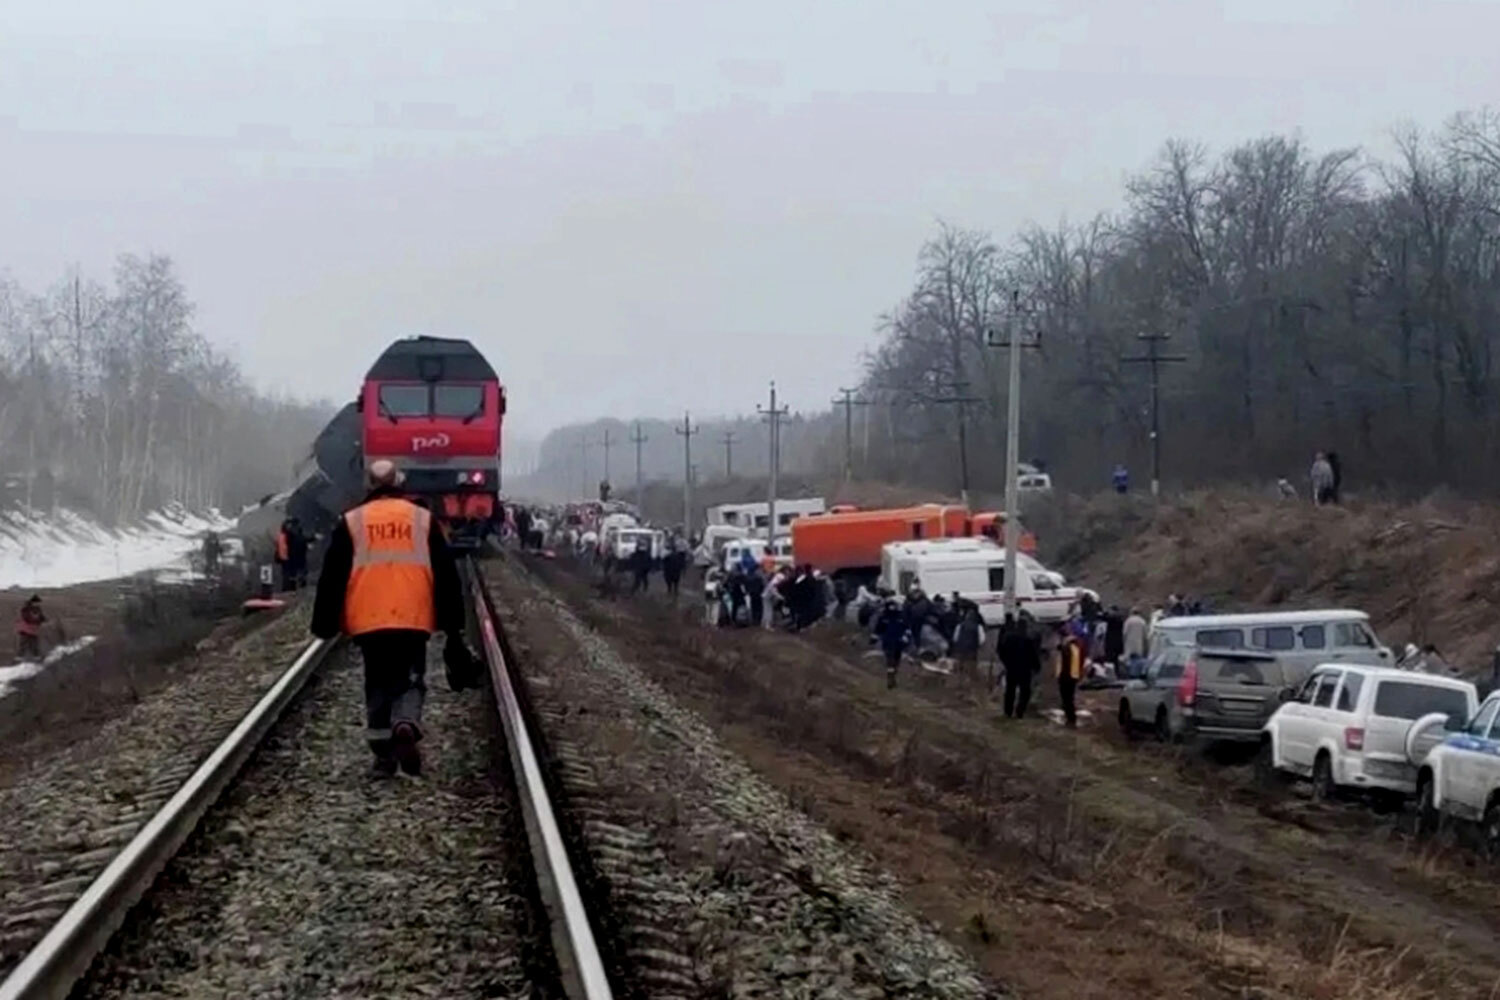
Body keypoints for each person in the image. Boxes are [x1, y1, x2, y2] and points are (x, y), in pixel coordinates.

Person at [311, 460, 476, 777]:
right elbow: (446, 575)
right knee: (412, 679)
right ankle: (405, 723)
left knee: (376, 683)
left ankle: (383, 757)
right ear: (399, 483)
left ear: (369, 485)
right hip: (412, 618)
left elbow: (332, 576)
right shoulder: (422, 520)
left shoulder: (352, 521)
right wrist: (453, 627)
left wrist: (324, 623)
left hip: (368, 620)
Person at [998, 615, 1036, 718]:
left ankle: (1008, 711)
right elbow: (1033, 656)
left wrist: (1006, 663)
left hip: (1011, 668)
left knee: (1010, 690)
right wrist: (1036, 667)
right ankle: (1020, 711)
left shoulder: (1009, 638)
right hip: (1025, 670)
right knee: (1025, 692)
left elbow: (1002, 651)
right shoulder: (1028, 640)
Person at [875, 600, 910, 690]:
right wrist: (873, 638)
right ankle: (890, 679)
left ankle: (893, 677)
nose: (892, 608)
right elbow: (878, 629)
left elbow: (907, 628)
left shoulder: (901, 617)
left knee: (896, 661)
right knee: (890, 660)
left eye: (893, 606)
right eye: (890, 606)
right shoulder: (884, 617)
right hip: (888, 642)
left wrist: (906, 638)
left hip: (899, 642)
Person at [1058, 623, 1086, 728]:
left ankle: (1071, 718)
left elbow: (1065, 660)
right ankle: (1070, 717)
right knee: (1068, 697)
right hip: (1072, 674)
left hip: (1067, 675)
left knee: (1067, 697)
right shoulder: (1078, 644)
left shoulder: (1068, 645)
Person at [951, 605, 984, 681]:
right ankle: (971, 680)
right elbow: (982, 639)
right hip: (972, 649)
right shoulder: (978, 626)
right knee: (971, 666)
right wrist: (978, 645)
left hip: (960, 649)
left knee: (960, 666)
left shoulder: (960, 625)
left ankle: (960, 681)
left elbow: (955, 637)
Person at [15, 595, 45, 661]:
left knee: (34, 642)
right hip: (25, 628)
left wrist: (42, 620)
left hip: (33, 629)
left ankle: (36, 656)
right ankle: (20, 656)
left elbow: (41, 617)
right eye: (36, 602)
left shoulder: (37, 609)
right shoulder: (25, 609)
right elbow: (27, 618)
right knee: (24, 642)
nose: (37, 603)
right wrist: (37, 620)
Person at [1122, 607, 1148, 678]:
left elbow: (1124, 633)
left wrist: (1123, 641)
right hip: (1139, 643)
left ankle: (1130, 674)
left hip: (1129, 642)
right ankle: (1137, 673)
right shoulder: (1142, 621)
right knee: (1138, 659)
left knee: (1129, 659)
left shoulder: (1128, 621)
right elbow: (1145, 635)